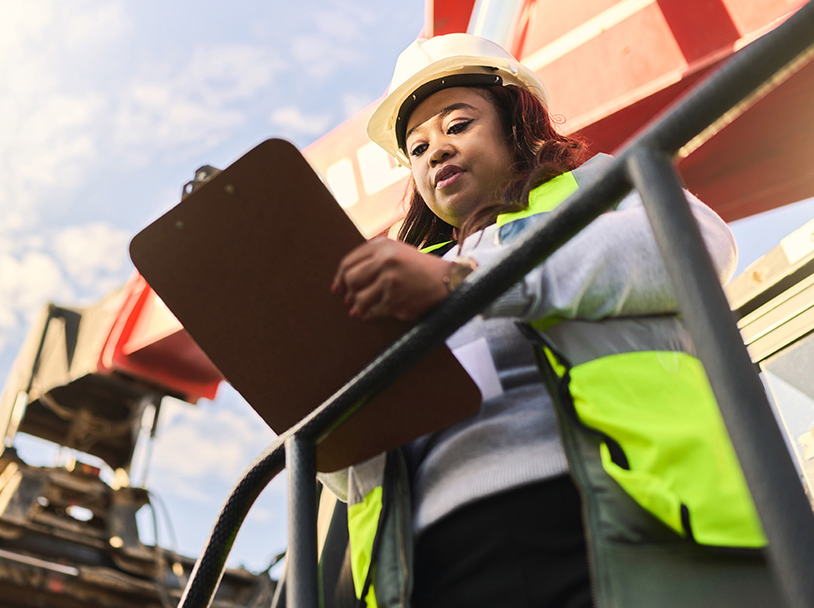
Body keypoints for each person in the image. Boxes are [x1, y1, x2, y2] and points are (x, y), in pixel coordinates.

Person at [325, 34, 779, 608]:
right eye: (416, 149)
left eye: (457, 125)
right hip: (432, 566)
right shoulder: (403, 283)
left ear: (515, 122)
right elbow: (348, 477)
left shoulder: (598, 186)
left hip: (630, 519)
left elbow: (696, 247)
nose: (435, 151)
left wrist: (464, 282)